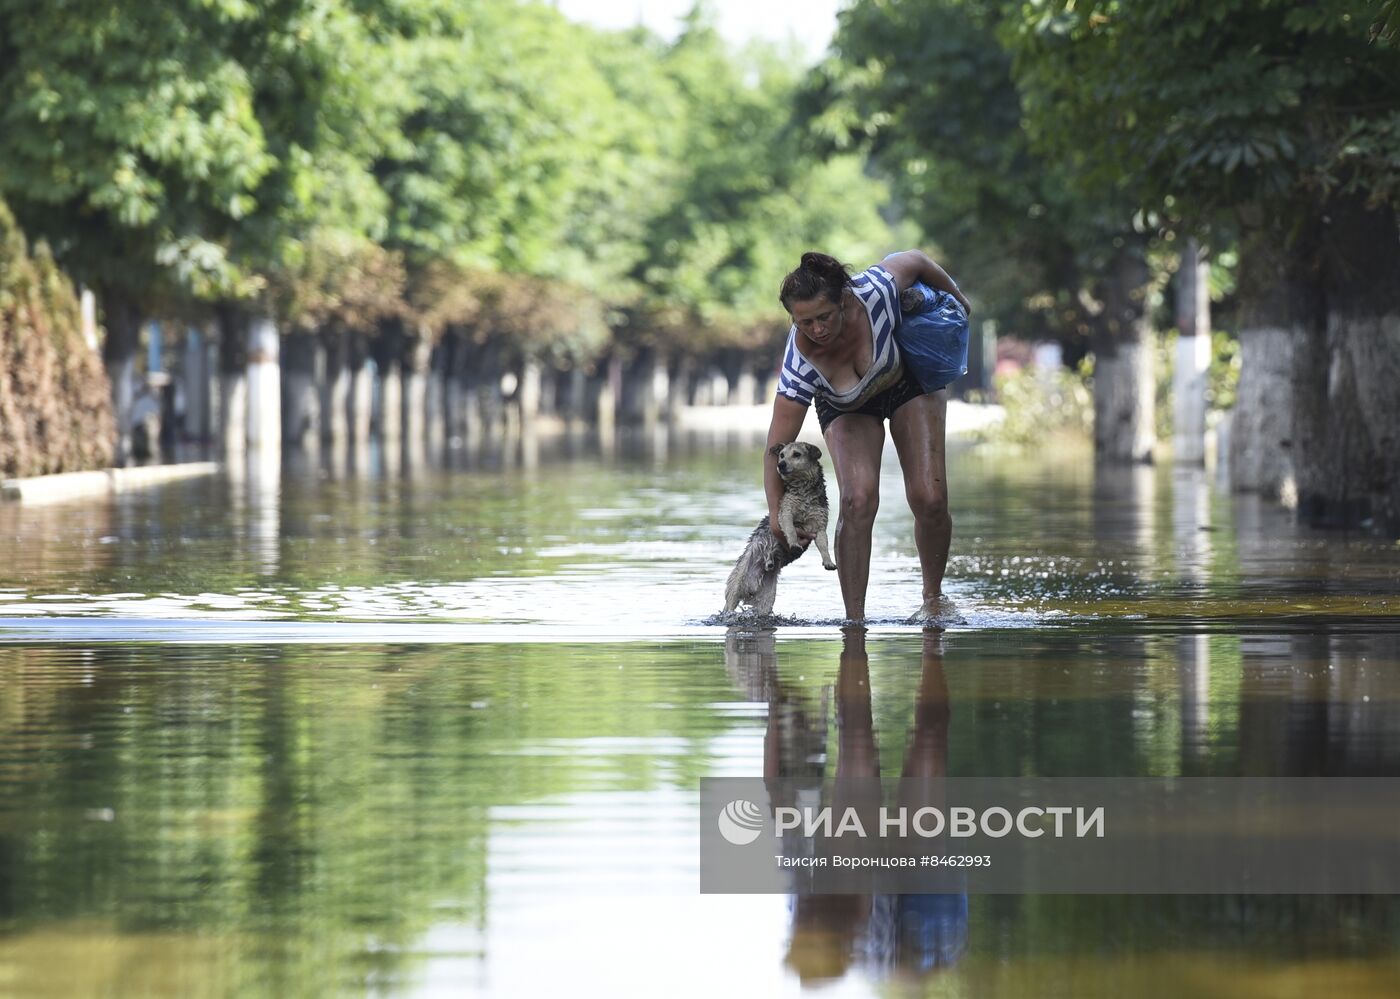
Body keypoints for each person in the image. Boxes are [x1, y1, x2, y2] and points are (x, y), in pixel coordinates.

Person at [765, 251, 972, 623]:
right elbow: (774, 450)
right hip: (845, 405)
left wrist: (959, 298)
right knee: (857, 501)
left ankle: (933, 599)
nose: (817, 330)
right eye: (805, 322)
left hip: (906, 381)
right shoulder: (801, 363)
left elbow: (917, 260)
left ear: (844, 301)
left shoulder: (875, 290)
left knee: (930, 497)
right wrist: (778, 517)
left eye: (824, 317)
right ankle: (854, 623)